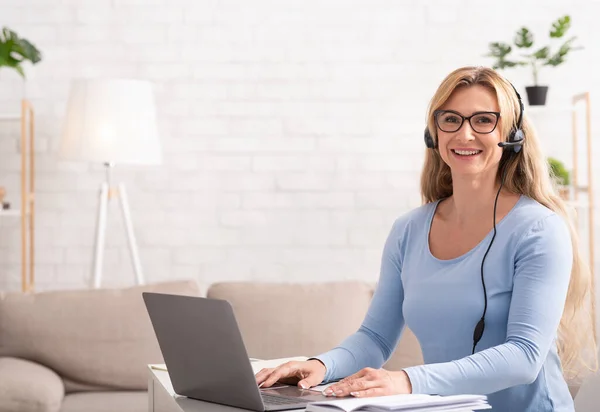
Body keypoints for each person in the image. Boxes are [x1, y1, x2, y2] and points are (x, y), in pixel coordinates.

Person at [255, 66, 598, 411]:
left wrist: (405, 381)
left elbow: (524, 356)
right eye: (451, 119)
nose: (464, 134)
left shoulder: (538, 230)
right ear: (434, 133)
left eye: (483, 120)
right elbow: (374, 337)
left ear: (511, 135)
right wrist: (319, 366)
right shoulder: (409, 230)